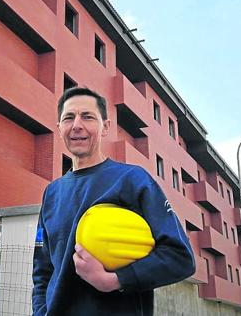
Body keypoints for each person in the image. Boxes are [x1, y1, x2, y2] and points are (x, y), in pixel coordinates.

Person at [32, 87, 195, 316]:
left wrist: (116, 280)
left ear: (105, 126)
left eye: (87, 116)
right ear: (59, 129)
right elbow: (43, 270)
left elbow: (180, 257)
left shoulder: (132, 180)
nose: (77, 124)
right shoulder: (52, 193)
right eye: (69, 117)